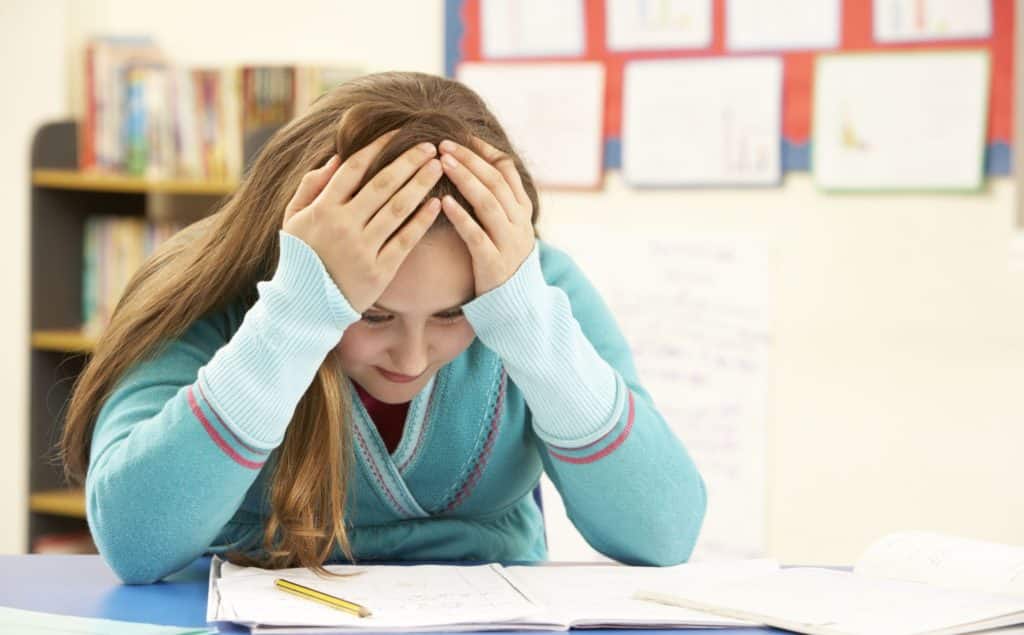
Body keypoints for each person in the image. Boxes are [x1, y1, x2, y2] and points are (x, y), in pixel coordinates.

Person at [60, 72, 706, 584]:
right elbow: (134, 543)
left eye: (454, 313)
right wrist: (297, 315)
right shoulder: (210, 292)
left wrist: (525, 320)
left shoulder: (537, 293)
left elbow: (664, 533)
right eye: (373, 314)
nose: (413, 355)